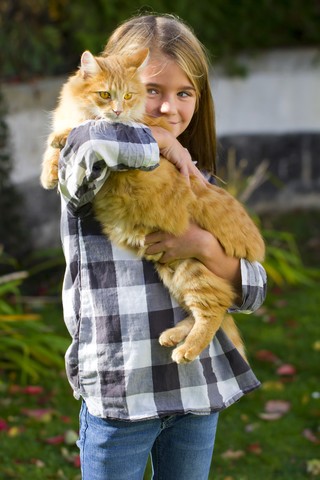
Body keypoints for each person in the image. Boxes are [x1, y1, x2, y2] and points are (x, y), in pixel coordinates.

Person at [57, 13, 267, 480]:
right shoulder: (85, 155)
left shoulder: (197, 179)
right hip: (123, 393)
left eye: (184, 93)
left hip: (197, 392)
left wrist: (205, 247)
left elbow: (254, 291)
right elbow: (89, 144)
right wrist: (155, 140)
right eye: (153, 90)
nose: (169, 108)